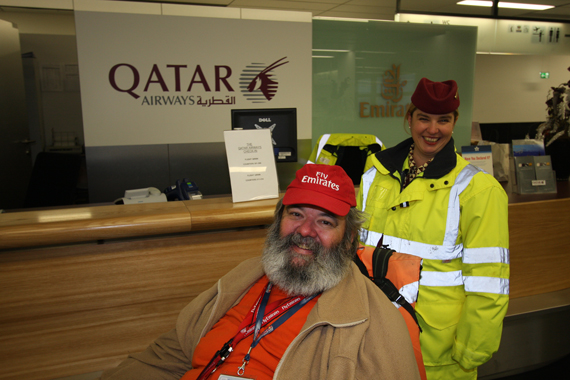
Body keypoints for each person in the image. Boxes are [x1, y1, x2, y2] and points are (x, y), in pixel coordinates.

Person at [100, 164, 421, 380]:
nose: (305, 231)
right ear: (278, 220)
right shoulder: (242, 279)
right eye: (296, 214)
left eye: (325, 221)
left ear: (349, 238)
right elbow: (165, 357)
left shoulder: (373, 323)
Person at [357, 77, 510, 380]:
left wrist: (470, 352)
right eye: (423, 118)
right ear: (408, 119)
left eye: (444, 120)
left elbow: (489, 283)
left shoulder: (478, 191)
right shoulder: (375, 173)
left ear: (454, 122)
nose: (432, 129)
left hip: (438, 352)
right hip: (371, 337)